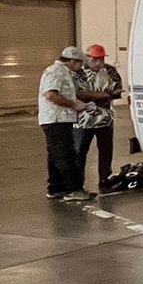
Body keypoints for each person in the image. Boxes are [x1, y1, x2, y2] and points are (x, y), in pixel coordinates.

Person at [38, 47, 95, 202]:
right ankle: (74, 189)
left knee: (55, 155)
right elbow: (51, 94)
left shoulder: (62, 71)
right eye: (80, 63)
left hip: (57, 119)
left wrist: (82, 105)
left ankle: (56, 188)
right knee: (65, 155)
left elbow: (62, 94)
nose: (81, 66)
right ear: (72, 61)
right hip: (57, 120)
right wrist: (73, 105)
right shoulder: (56, 71)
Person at [75, 44, 124, 193]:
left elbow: (118, 89)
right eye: (94, 60)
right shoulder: (78, 72)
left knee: (106, 150)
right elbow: (74, 92)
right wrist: (96, 95)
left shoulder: (110, 70)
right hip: (83, 119)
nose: (98, 63)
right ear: (86, 58)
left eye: (101, 59)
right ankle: (77, 184)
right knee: (79, 151)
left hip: (104, 118)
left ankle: (105, 179)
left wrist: (109, 94)